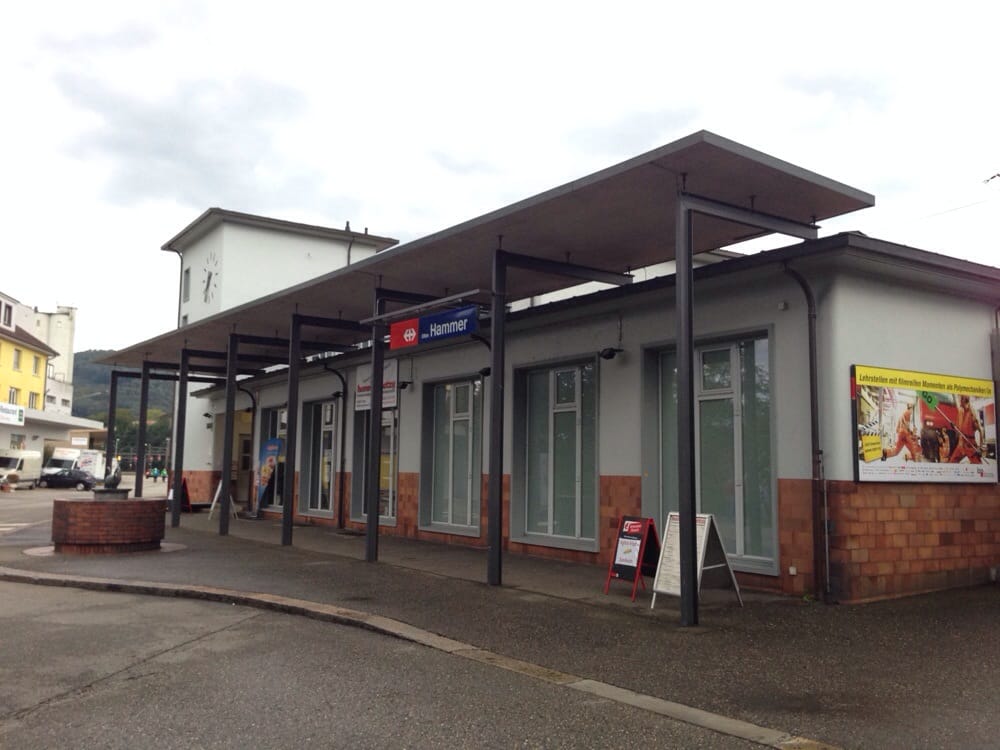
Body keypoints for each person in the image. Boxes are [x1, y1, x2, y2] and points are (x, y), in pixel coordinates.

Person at [949, 395, 983, 463]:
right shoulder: (961, 412)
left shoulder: (972, 413)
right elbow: (958, 430)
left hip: (970, 445)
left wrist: (980, 447)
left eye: (959, 398)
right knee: (952, 462)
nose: (958, 400)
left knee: (978, 465)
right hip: (961, 443)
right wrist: (954, 426)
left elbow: (980, 430)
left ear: (963, 400)